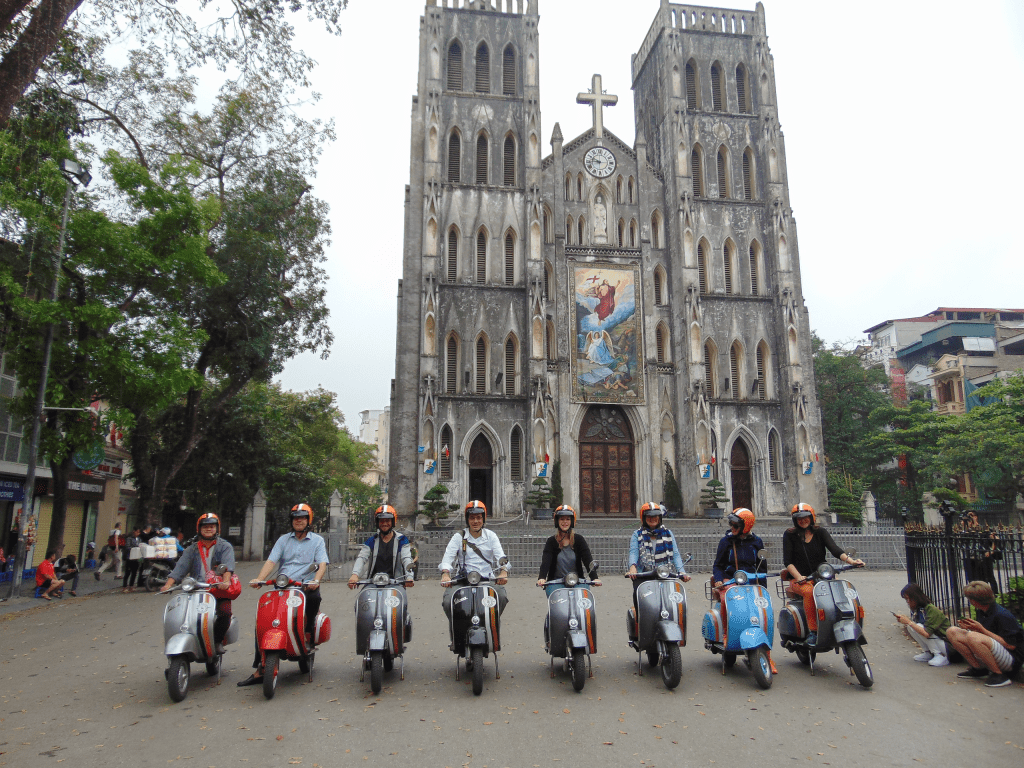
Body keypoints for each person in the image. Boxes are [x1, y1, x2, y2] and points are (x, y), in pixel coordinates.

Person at [238, 503, 329, 687]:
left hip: (304, 586)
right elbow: (272, 561)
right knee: (264, 619)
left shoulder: (317, 540)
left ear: (308, 521)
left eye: (302, 518)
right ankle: (260, 669)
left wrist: (316, 581)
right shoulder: (283, 540)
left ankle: (308, 634)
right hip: (282, 585)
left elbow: (321, 564)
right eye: (296, 518)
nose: (299, 521)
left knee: (315, 598)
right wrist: (259, 578)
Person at [782, 503, 865, 647]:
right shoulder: (790, 535)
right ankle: (813, 632)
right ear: (795, 520)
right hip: (800, 579)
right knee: (809, 592)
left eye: (805, 517)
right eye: (799, 518)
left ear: (811, 517)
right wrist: (799, 577)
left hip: (821, 575)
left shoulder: (820, 532)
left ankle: (844, 622)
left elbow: (835, 550)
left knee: (839, 589)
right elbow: (788, 561)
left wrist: (852, 561)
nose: (803, 521)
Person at [160, 513, 236, 652]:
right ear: (199, 529)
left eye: (212, 526)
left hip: (217, 590)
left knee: (225, 613)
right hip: (195, 589)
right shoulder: (192, 549)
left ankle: (218, 641)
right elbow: (180, 568)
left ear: (217, 529)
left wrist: (225, 581)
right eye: (205, 526)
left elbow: (227, 567)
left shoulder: (225, 547)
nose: (208, 529)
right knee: (181, 615)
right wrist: (168, 584)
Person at [439, 501, 510, 634]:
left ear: (484, 519)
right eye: (472, 518)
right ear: (467, 519)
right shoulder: (459, 537)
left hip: (487, 580)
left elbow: (501, 556)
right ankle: (457, 630)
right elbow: (448, 557)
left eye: (479, 517)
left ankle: (491, 623)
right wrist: (445, 573)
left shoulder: (491, 536)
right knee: (448, 601)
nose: (476, 521)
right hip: (463, 580)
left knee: (501, 596)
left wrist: (503, 571)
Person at [946, 581, 1023, 688]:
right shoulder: (982, 611)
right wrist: (971, 628)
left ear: (975, 600)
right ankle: (978, 669)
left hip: (1011, 659)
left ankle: (999, 675)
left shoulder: (1002, 615)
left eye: (970, 599)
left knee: (972, 636)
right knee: (952, 631)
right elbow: (984, 637)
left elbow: (1011, 645)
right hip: (996, 651)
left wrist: (980, 629)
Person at [627, 502, 691, 610]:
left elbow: (675, 554)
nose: (653, 519)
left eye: (655, 516)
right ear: (643, 518)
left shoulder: (668, 533)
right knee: (642, 604)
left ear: (660, 517)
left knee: (674, 605)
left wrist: (682, 571)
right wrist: (633, 567)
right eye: (649, 516)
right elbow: (634, 552)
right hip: (644, 575)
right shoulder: (637, 534)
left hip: (665, 575)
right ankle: (640, 622)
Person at [536, 505, 601, 597]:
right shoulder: (551, 541)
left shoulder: (579, 540)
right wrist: (542, 578)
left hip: (578, 582)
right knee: (557, 608)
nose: (565, 522)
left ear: (572, 521)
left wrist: (594, 578)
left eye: (568, 519)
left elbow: (587, 559)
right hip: (556, 583)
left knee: (585, 605)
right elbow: (546, 561)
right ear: (557, 521)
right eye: (562, 519)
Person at [894, 583, 951, 667]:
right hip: (938, 641)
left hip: (946, 645)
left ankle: (940, 655)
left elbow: (926, 633)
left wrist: (909, 622)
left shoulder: (931, 609)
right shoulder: (919, 609)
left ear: (915, 597)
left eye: (908, 599)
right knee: (912, 627)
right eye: (906, 600)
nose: (908, 602)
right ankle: (928, 652)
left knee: (916, 626)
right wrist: (908, 622)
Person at [712, 508, 765, 591]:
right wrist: (718, 579)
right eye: (730, 524)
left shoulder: (757, 542)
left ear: (746, 526)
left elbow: (762, 568)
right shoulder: (725, 541)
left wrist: (763, 589)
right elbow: (718, 565)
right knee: (724, 600)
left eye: (735, 526)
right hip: (730, 580)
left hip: (751, 582)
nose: (732, 527)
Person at [122, 527, 142, 593]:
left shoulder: (139, 539)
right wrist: (134, 548)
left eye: (139, 532)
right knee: (127, 573)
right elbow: (127, 547)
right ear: (134, 531)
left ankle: (131, 586)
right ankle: (124, 586)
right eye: (137, 532)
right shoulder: (129, 539)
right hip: (130, 557)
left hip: (136, 557)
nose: (138, 533)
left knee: (134, 572)